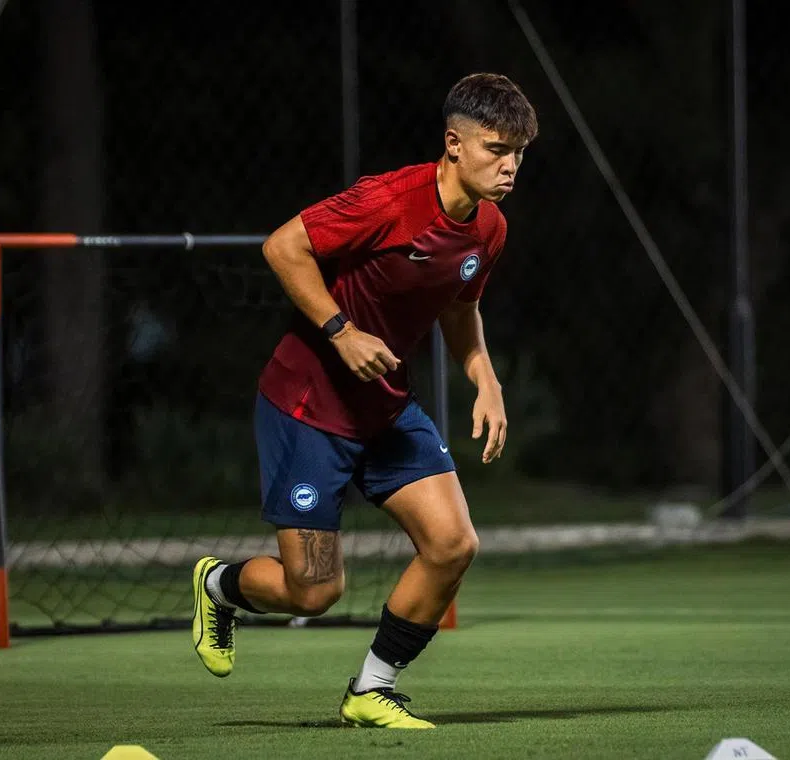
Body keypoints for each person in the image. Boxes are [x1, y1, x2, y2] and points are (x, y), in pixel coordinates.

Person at [192, 73, 537, 728]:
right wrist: (340, 331)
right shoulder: (387, 199)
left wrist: (484, 378)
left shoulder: (488, 228)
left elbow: (462, 307)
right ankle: (217, 586)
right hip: (308, 407)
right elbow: (282, 246)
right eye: (497, 148)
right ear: (454, 145)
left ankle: (370, 690)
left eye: (519, 151)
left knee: (453, 544)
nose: (511, 164)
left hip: (383, 407)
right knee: (315, 591)